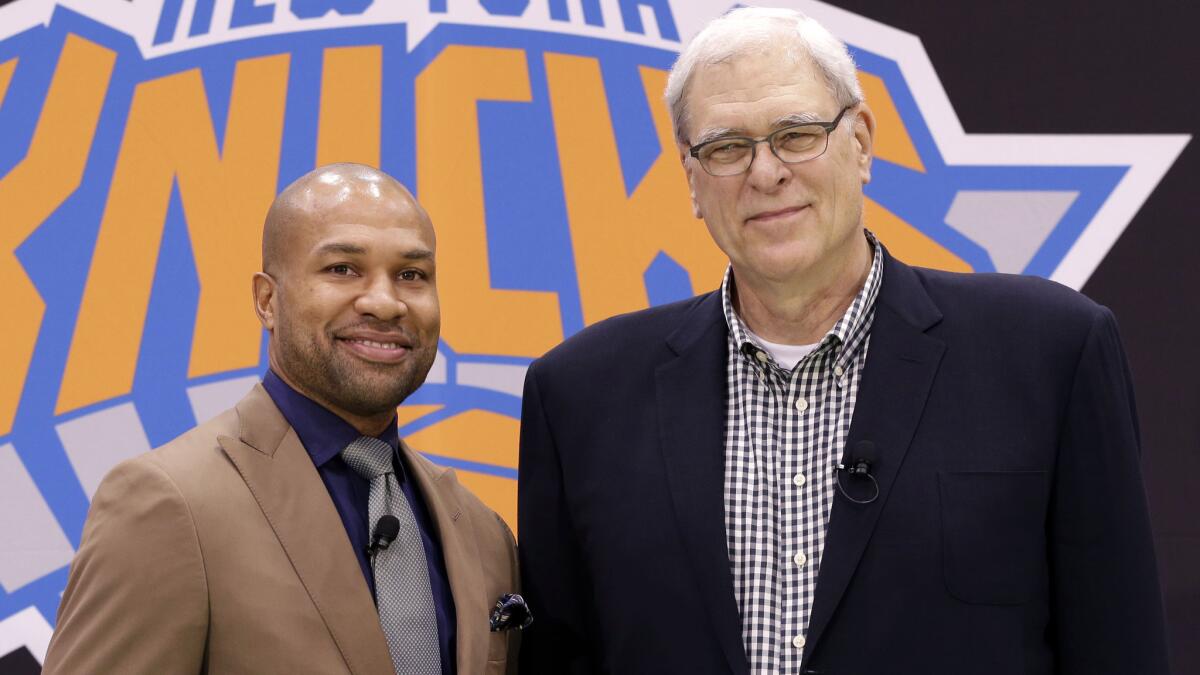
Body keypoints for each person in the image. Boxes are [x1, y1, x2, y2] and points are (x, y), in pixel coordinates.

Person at [517, 7, 1168, 675]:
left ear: (861, 141)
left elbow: (1121, 645)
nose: (765, 172)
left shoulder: (1049, 353)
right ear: (691, 177)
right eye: (727, 147)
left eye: (797, 134)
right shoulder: (578, 397)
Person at [43, 163, 520, 674]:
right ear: (267, 300)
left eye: (411, 275)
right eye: (342, 268)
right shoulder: (168, 504)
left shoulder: (483, 534)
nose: (385, 302)